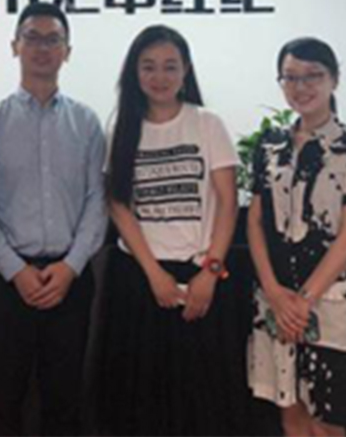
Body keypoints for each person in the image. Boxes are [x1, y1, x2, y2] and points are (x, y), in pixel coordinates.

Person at [0, 2, 106, 437]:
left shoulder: (87, 123)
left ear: (67, 51)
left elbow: (97, 202)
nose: (43, 48)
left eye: (53, 39)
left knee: (65, 398)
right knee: (3, 397)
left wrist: (71, 267)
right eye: (32, 37)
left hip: (70, 280)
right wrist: (16, 271)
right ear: (15, 46)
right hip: (4, 283)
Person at [95, 25, 243, 436]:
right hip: (140, 280)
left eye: (169, 66)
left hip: (199, 279)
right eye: (148, 66)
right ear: (134, 72)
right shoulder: (122, 128)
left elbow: (228, 203)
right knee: (140, 401)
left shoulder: (207, 123)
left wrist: (209, 272)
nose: (159, 76)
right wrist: (153, 274)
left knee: (200, 401)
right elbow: (119, 205)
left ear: (185, 70)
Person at [247, 37, 346, 437]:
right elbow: (256, 222)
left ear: (334, 80)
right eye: (290, 77)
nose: (301, 87)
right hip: (273, 297)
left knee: (328, 416)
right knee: (288, 408)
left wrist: (302, 302)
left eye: (313, 76)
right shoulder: (269, 145)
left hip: (327, 298)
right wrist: (274, 293)